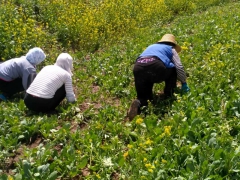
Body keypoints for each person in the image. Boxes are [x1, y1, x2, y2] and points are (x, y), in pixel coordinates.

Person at [128, 34, 190, 120]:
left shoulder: (151, 46)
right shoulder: (171, 48)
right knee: (173, 69)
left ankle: (139, 102)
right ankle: (168, 94)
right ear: (172, 44)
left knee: (145, 96)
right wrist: (183, 82)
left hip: (138, 67)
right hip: (155, 66)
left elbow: (143, 60)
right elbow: (179, 66)